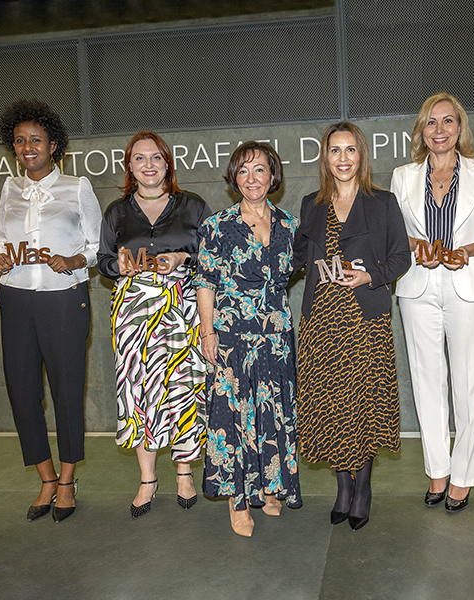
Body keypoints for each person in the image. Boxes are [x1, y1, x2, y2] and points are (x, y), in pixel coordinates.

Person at [391, 93, 474, 512]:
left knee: (468, 384)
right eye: (431, 122)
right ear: (421, 131)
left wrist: (469, 250)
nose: (440, 130)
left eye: (448, 121)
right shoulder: (403, 176)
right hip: (417, 288)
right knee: (427, 382)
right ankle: (438, 472)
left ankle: (463, 477)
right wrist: (416, 245)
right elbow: (393, 235)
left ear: (460, 128)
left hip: (468, 286)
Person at [0, 99, 101, 523]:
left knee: (67, 391)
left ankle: (68, 480)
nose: (27, 147)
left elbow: (96, 248)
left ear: (54, 145)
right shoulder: (10, 189)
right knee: (22, 392)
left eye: (36, 140)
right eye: (19, 141)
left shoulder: (77, 187)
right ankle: (46, 478)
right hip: (16, 298)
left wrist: (73, 261)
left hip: (63, 300)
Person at [295, 123, 411, 530]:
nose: (342, 159)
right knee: (331, 404)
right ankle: (342, 487)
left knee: (363, 404)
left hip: (365, 322)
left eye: (350, 151)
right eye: (334, 151)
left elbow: (402, 259)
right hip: (322, 321)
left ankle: (362, 487)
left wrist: (370, 276)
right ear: (325, 158)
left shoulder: (382, 202)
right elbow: (295, 258)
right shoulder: (312, 204)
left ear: (361, 155)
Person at [97, 131, 211, 518]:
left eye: (156, 158)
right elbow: (103, 261)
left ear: (167, 163)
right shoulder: (116, 211)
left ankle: (184, 472)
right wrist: (120, 266)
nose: (148, 165)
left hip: (182, 308)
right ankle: (148, 479)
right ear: (129, 166)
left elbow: (214, 255)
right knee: (138, 389)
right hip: (133, 312)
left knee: (183, 386)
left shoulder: (192, 206)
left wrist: (185, 258)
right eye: (140, 159)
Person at [196, 141, 301, 537]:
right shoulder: (217, 226)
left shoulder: (289, 225)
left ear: (273, 176)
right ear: (233, 178)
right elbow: (205, 282)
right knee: (234, 415)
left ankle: (271, 488)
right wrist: (208, 332)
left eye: (259, 170)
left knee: (272, 410)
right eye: (243, 171)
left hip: (275, 334)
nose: (251, 178)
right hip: (232, 334)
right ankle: (237, 501)